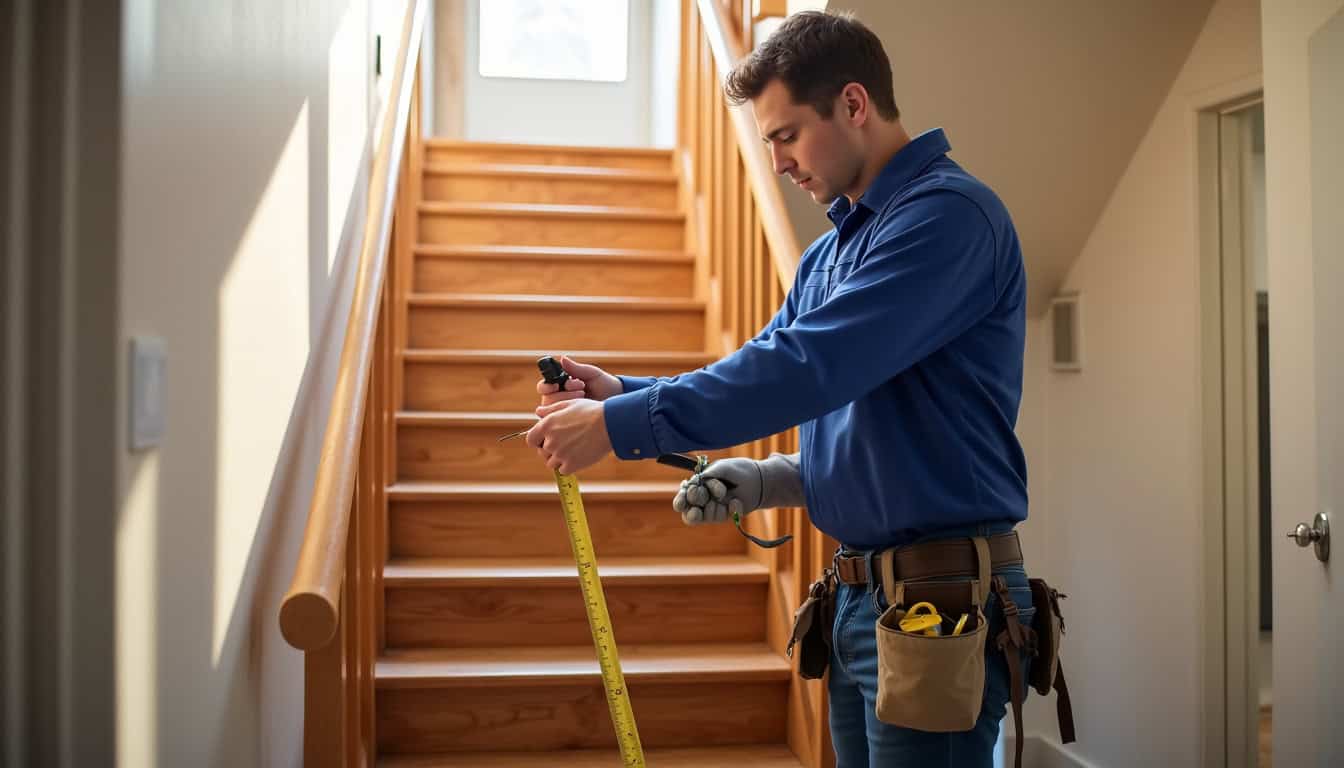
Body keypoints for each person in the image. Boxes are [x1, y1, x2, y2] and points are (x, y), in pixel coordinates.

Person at [525, 10, 1037, 767]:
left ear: (854, 104)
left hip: (940, 596)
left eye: (786, 135)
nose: (777, 164)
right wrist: (620, 393)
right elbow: (774, 363)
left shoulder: (948, 219)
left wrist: (620, 425)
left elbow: (809, 367)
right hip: (859, 594)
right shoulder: (831, 252)